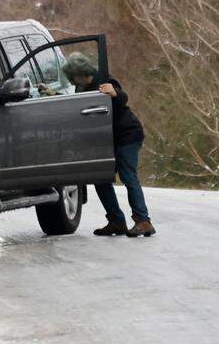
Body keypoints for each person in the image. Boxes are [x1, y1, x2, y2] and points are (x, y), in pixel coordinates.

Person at [61, 53, 155, 237]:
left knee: (128, 175)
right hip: (104, 138)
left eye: (74, 76)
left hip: (127, 135)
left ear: (80, 73)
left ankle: (143, 221)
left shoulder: (105, 80)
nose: (73, 80)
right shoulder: (81, 88)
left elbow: (122, 98)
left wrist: (114, 93)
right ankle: (116, 221)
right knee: (100, 178)